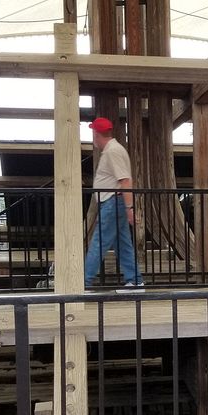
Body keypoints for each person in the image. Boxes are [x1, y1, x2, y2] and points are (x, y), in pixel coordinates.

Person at [84, 117, 144, 288]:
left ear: (96, 134)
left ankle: (83, 283)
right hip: (114, 202)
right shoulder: (114, 150)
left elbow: (125, 180)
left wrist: (129, 208)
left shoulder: (112, 151)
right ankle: (135, 280)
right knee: (122, 243)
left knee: (98, 242)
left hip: (113, 202)